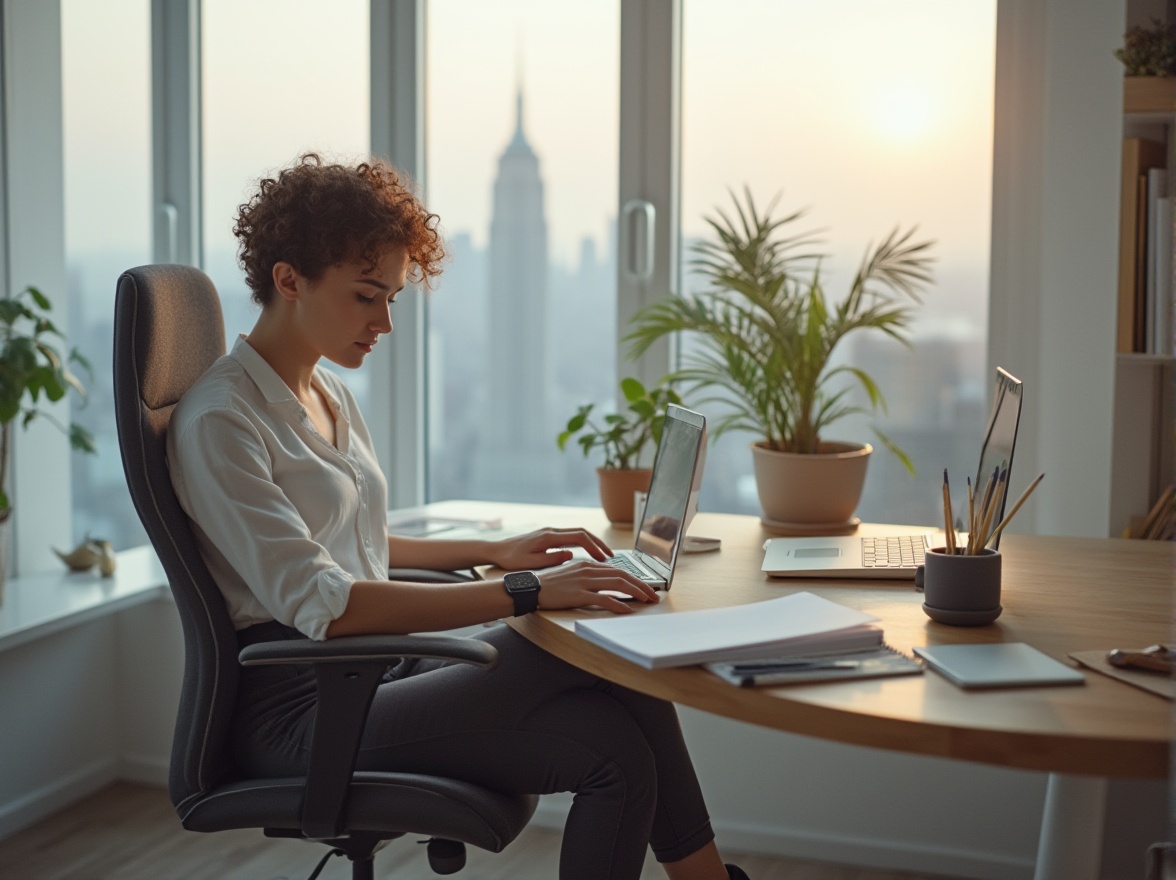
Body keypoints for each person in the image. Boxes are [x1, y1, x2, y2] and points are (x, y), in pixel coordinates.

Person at [167, 153, 751, 880]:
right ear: (289, 280)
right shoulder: (222, 420)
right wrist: (528, 593)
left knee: (618, 752)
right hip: (302, 714)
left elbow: (347, 544)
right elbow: (329, 603)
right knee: (589, 641)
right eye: (365, 296)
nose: (384, 322)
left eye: (393, 300)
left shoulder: (326, 394)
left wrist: (496, 551)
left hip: (372, 672)